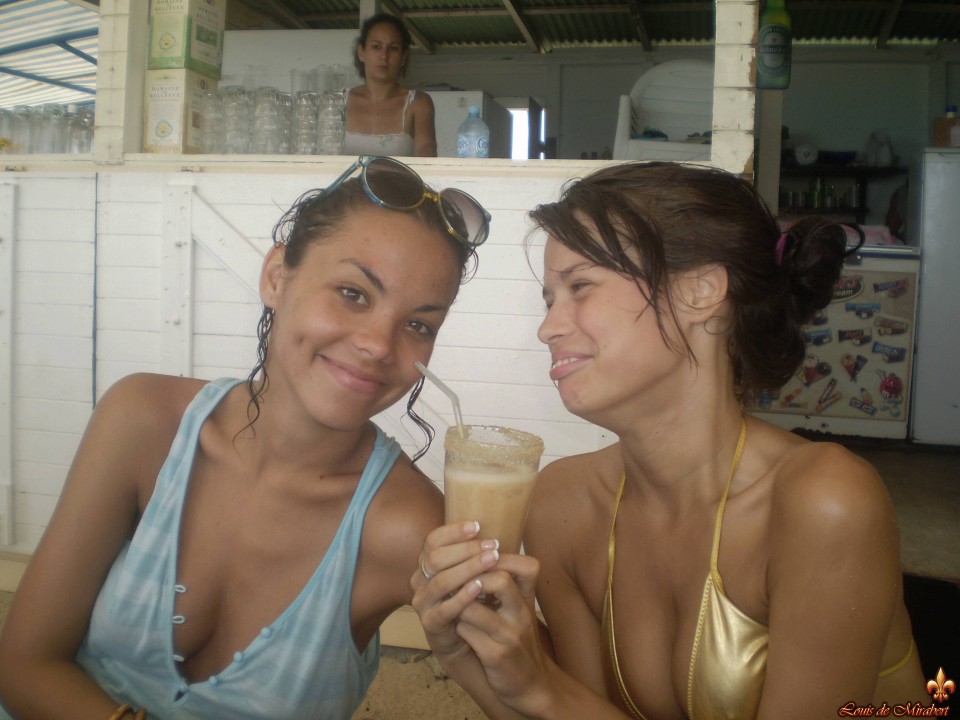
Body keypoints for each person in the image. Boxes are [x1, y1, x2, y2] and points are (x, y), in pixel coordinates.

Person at [411, 161, 926, 719]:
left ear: (701, 291)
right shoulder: (562, 504)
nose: (548, 327)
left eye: (580, 286)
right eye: (549, 299)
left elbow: (553, 700)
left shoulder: (823, 503)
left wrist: (541, 685)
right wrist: (465, 650)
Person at [0, 156, 490, 719]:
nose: (379, 344)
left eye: (418, 324)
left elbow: (525, 694)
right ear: (277, 277)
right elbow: (24, 665)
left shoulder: (406, 526)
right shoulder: (143, 423)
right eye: (353, 293)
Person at [344, 13, 437, 158]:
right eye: (376, 46)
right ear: (361, 52)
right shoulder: (338, 102)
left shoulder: (417, 103)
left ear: (403, 57)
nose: (384, 56)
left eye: (393, 48)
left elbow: (427, 160)